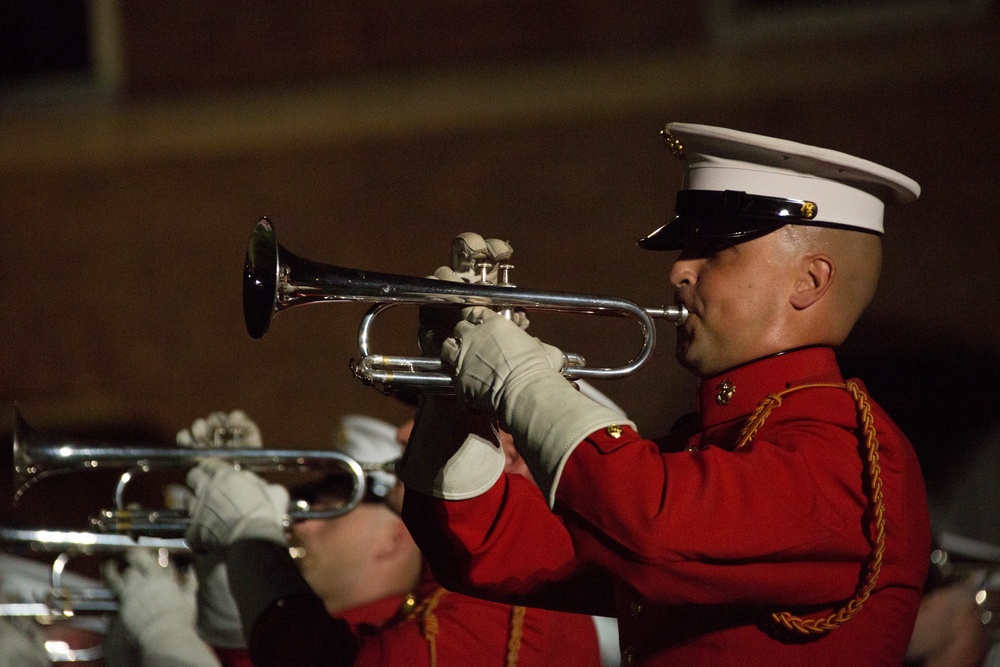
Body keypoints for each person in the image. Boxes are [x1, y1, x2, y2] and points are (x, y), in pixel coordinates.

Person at [396, 122, 932, 666]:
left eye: (714, 250)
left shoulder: (850, 454)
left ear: (810, 281)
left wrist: (524, 384)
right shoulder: (711, 439)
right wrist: (452, 405)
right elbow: (497, 553)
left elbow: (651, 530)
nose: (678, 270)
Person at [125, 412, 605, 666]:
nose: (403, 434)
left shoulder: (521, 604)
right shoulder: (468, 586)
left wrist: (248, 537)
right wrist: (223, 553)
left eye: (445, 407)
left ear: (515, 454)